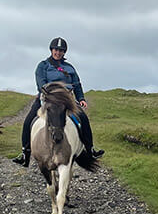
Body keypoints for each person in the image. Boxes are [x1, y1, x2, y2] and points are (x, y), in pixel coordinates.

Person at [12, 37, 104, 166]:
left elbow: (77, 84)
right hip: (47, 99)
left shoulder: (69, 68)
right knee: (29, 121)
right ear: (51, 50)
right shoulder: (43, 66)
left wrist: (81, 98)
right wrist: (50, 94)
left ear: (64, 52)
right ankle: (25, 153)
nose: (58, 52)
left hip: (66, 100)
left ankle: (90, 149)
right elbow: (41, 84)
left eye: (61, 50)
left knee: (83, 118)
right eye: (56, 49)